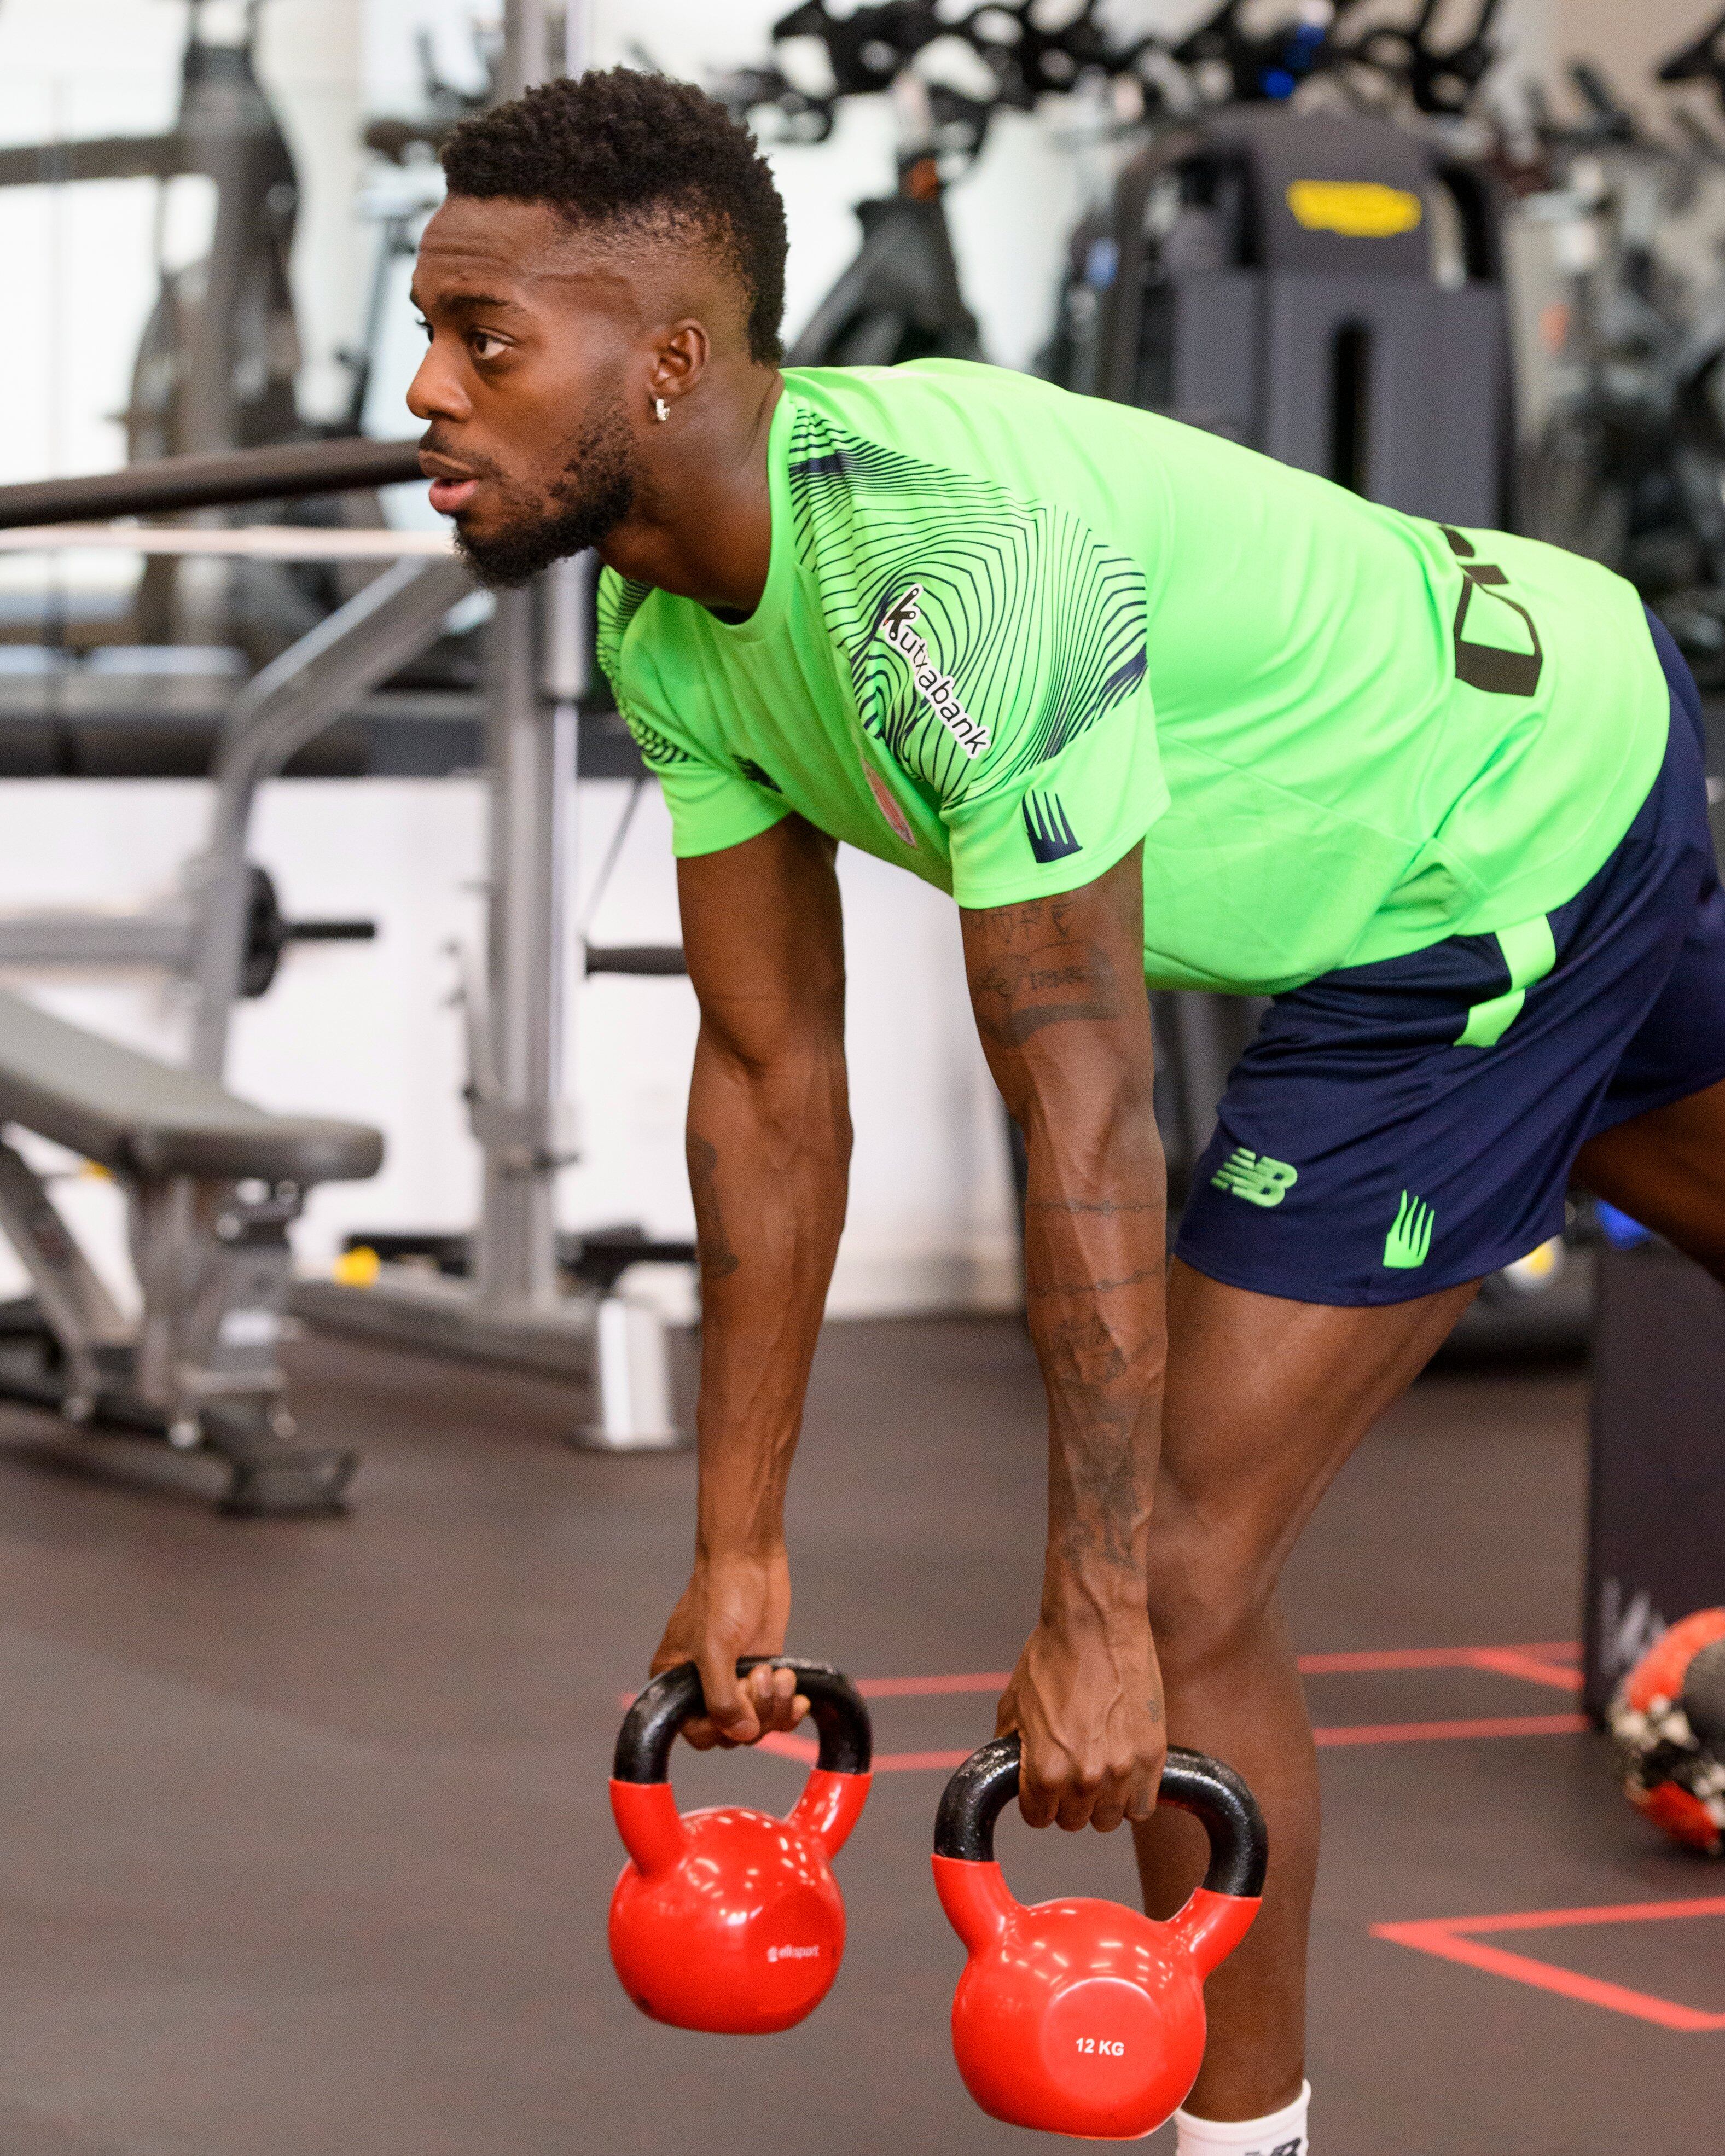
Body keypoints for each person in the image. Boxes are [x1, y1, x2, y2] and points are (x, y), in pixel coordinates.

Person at [405, 67, 1725, 2156]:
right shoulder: (669, 614)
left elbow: (1089, 1114)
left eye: (483, 342)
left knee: (1186, 1572)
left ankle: (1242, 2146)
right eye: (430, 332)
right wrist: (736, 1546)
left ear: (666, 365)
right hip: (1526, 709)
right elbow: (768, 1082)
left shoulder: (958, 582)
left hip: (1480, 852)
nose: (426, 391)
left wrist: (1090, 1618)